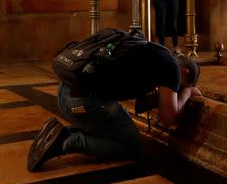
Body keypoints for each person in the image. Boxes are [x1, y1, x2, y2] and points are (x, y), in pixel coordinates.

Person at [27, 41, 202, 172]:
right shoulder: (171, 69)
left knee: (119, 124)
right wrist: (187, 93)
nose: (177, 89)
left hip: (67, 93)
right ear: (184, 72)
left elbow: (140, 100)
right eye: (181, 86)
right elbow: (168, 119)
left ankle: (63, 132)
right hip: (83, 101)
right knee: (132, 145)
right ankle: (66, 143)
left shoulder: (155, 53)